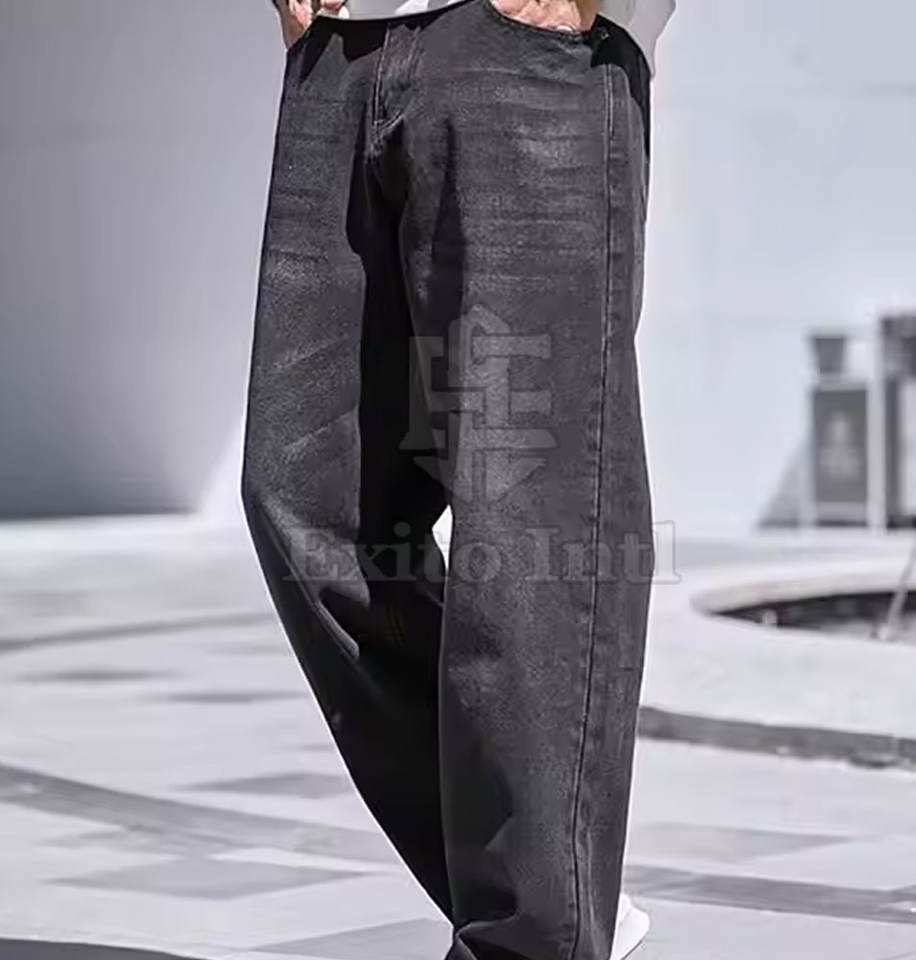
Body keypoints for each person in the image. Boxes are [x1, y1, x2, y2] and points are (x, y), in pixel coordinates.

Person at [241, 0, 673, 956]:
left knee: (531, 525)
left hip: (522, 51)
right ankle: (554, 887)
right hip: (340, 53)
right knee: (307, 504)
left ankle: (537, 930)